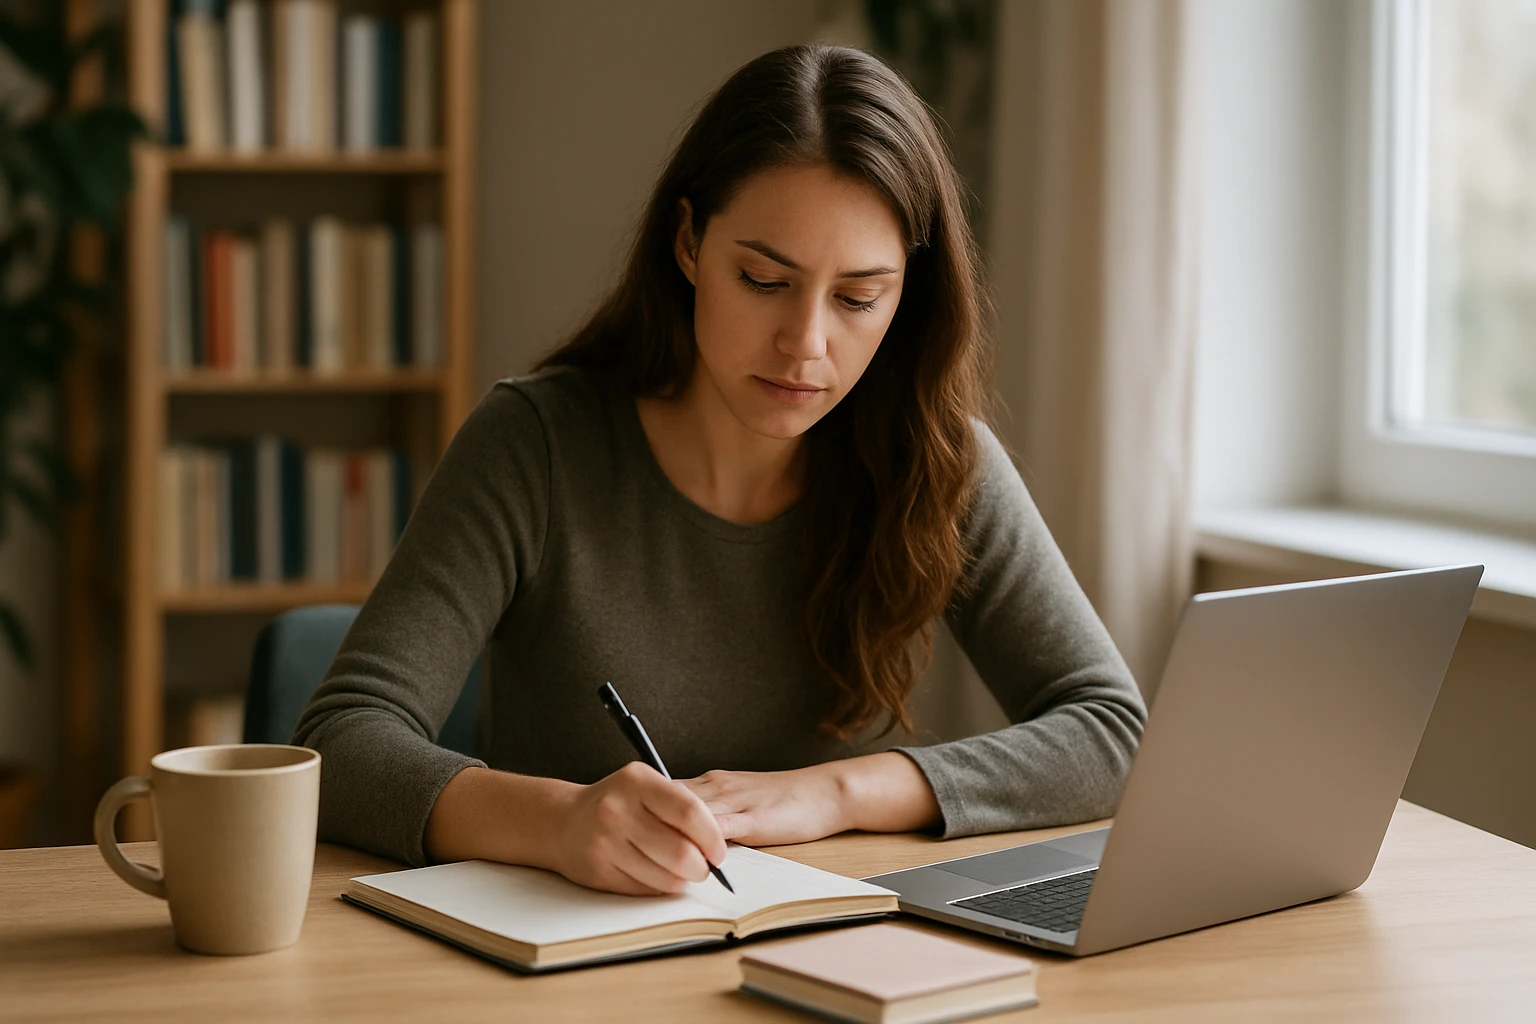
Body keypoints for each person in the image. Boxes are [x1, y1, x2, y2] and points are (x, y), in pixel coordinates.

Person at [293, 43, 1146, 897]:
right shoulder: (536, 446)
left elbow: (1113, 732)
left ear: (906, 296)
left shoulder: (935, 461)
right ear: (690, 243)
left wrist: (838, 791)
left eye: (858, 298)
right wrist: (561, 823)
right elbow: (341, 738)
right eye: (764, 278)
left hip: (835, 955)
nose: (807, 345)